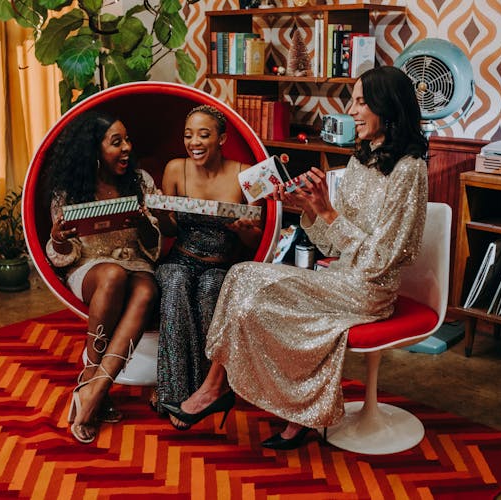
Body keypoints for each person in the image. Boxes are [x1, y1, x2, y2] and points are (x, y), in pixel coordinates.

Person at [162, 65, 429, 449]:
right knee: (239, 275)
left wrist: (329, 213)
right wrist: (306, 209)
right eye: (351, 101)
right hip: (340, 276)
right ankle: (218, 387)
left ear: (387, 107)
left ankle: (255, 400)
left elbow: (381, 260)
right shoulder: (361, 159)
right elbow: (332, 247)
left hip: (370, 291)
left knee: (252, 287)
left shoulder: (409, 171)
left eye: (360, 102)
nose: (351, 111)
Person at [44, 109, 161, 444]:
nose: (127, 147)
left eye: (127, 139)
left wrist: (143, 224)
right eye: (116, 142)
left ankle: (95, 391)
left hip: (136, 263)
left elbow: (152, 246)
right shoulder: (70, 190)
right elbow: (64, 256)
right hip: (91, 268)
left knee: (146, 291)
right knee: (112, 276)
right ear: (94, 149)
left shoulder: (140, 182)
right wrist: (57, 238)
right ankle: (90, 379)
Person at [152, 104, 261, 430]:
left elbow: (259, 242)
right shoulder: (174, 169)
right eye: (188, 135)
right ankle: (173, 390)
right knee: (173, 282)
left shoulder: (248, 173)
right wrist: (160, 215)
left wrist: (245, 231)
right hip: (181, 258)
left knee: (212, 288)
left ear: (222, 138)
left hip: (220, 265)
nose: (194, 142)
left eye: (203, 134)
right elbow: (170, 231)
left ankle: (204, 392)